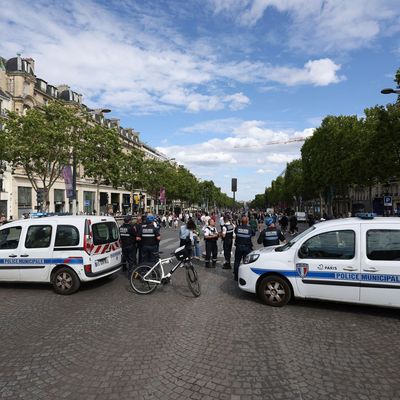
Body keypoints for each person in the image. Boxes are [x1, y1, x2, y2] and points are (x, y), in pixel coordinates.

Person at [233, 216, 253, 281]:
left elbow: (235, 232)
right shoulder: (249, 228)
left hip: (238, 247)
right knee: (246, 262)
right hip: (247, 248)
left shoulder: (237, 228)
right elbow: (253, 233)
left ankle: (236, 276)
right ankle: (245, 276)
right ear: (247, 221)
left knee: (237, 262)